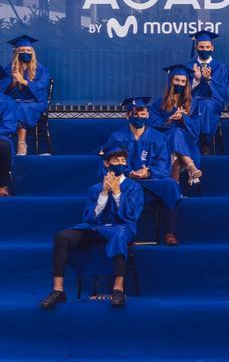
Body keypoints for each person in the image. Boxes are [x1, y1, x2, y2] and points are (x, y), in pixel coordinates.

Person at [40, 143, 143, 309]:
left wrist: (117, 193)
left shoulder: (134, 187)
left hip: (122, 228)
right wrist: (104, 193)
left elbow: (131, 217)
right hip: (97, 228)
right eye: (116, 160)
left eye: (123, 160)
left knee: (119, 235)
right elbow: (89, 218)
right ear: (106, 163)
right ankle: (58, 290)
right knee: (62, 237)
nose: (121, 164)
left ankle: (118, 288)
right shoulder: (95, 189)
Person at [103, 97, 183, 246]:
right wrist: (128, 173)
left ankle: (170, 233)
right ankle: (124, 232)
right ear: (127, 115)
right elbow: (111, 161)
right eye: (135, 113)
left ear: (147, 115)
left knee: (171, 185)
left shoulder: (158, 137)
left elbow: (163, 164)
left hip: (152, 181)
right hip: (127, 179)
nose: (138, 116)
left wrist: (149, 172)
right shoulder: (117, 137)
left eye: (142, 113)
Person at [149, 64, 204, 187]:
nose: (180, 83)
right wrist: (170, 119)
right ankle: (191, 167)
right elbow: (152, 123)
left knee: (177, 135)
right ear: (171, 81)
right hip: (164, 139)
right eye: (177, 80)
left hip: (187, 141)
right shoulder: (161, 102)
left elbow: (196, 128)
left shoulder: (192, 103)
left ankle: (174, 188)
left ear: (187, 83)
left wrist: (183, 118)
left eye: (183, 81)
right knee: (174, 135)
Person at [1, 35, 50, 156]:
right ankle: (18, 143)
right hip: (17, 101)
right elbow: (3, 90)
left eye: (28, 50)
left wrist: (24, 82)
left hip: (35, 102)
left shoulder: (40, 68)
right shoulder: (10, 68)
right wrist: (13, 82)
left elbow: (42, 87)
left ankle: (21, 142)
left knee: (21, 107)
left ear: (32, 52)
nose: (25, 53)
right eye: (22, 50)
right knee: (14, 106)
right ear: (17, 52)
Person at [189, 30, 229, 155]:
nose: (204, 49)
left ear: (212, 48)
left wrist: (209, 80)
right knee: (194, 105)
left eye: (207, 47)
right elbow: (182, 91)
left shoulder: (220, 67)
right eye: (201, 47)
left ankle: (204, 142)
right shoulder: (190, 66)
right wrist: (196, 80)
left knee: (206, 105)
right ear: (196, 47)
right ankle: (190, 144)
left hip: (214, 101)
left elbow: (223, 92)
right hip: (193, 101)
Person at [0, 92, 15, 196]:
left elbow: (9, 127)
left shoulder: (6, 101)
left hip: (0, 135)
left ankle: (1, 186)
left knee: (4, 146)